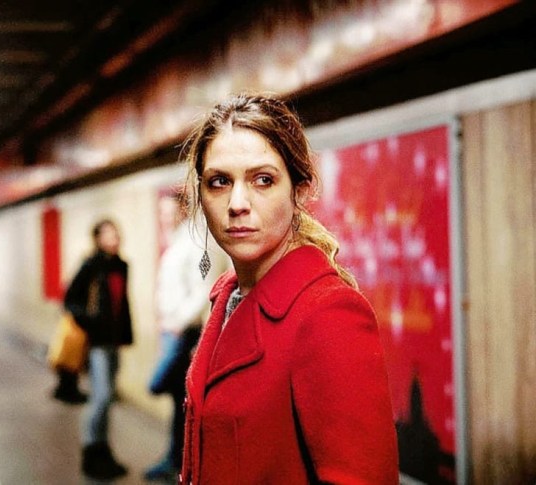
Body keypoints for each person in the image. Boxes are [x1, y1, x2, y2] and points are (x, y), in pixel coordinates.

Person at [179, 93, 399, 484]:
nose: (237, 203)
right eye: (219, 182)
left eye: (263, 180)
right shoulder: (227, 296)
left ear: (299, 191)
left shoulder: (328, 313)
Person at [144, 192, 214, 482]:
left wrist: (178, 322)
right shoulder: (175, 242)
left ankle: (183, 462)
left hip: (183, 334)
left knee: (160, 386)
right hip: (170, 331)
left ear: (183, 211)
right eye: (161, 213)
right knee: (179, 401)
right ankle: (176, 461)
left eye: (170, 212)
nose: (165, 218)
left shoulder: (195, 244)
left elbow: (202, 290)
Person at [64, 219, 133, 480]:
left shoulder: (121, 265)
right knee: (101, 398)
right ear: (98, 239)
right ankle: (91, 453)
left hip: (114, 341)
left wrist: (126, 335)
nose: (114, 238)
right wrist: (90, 322)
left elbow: (122, 304)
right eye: (108, 234)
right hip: (97, 343)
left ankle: (104, 451)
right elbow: (70, 300)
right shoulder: (91, 265)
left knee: (107, 398)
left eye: (116, 234)